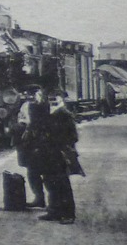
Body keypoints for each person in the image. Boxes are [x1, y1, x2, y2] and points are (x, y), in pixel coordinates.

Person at [22, 86, 81, 224]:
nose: (52, 101)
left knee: (62, 184)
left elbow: (73, 137)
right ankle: (54, 211)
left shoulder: (65, 115)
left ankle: (68, 214)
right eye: (50, 99)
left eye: (56, 98)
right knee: (50, 183)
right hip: (49, 155)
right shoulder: (50, 114)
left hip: (60, 155)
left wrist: (57, 143)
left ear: (62, 100)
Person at [11, 86, 47, 208]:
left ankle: (50, 202)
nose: (33, 97)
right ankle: (39, 198)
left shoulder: (48, 105)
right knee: (32, 171)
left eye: (36, 94)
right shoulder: (26, 106)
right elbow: (22, 123)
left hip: (45, 142)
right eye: (31, 95)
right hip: (31, 142)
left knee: (48, 173)